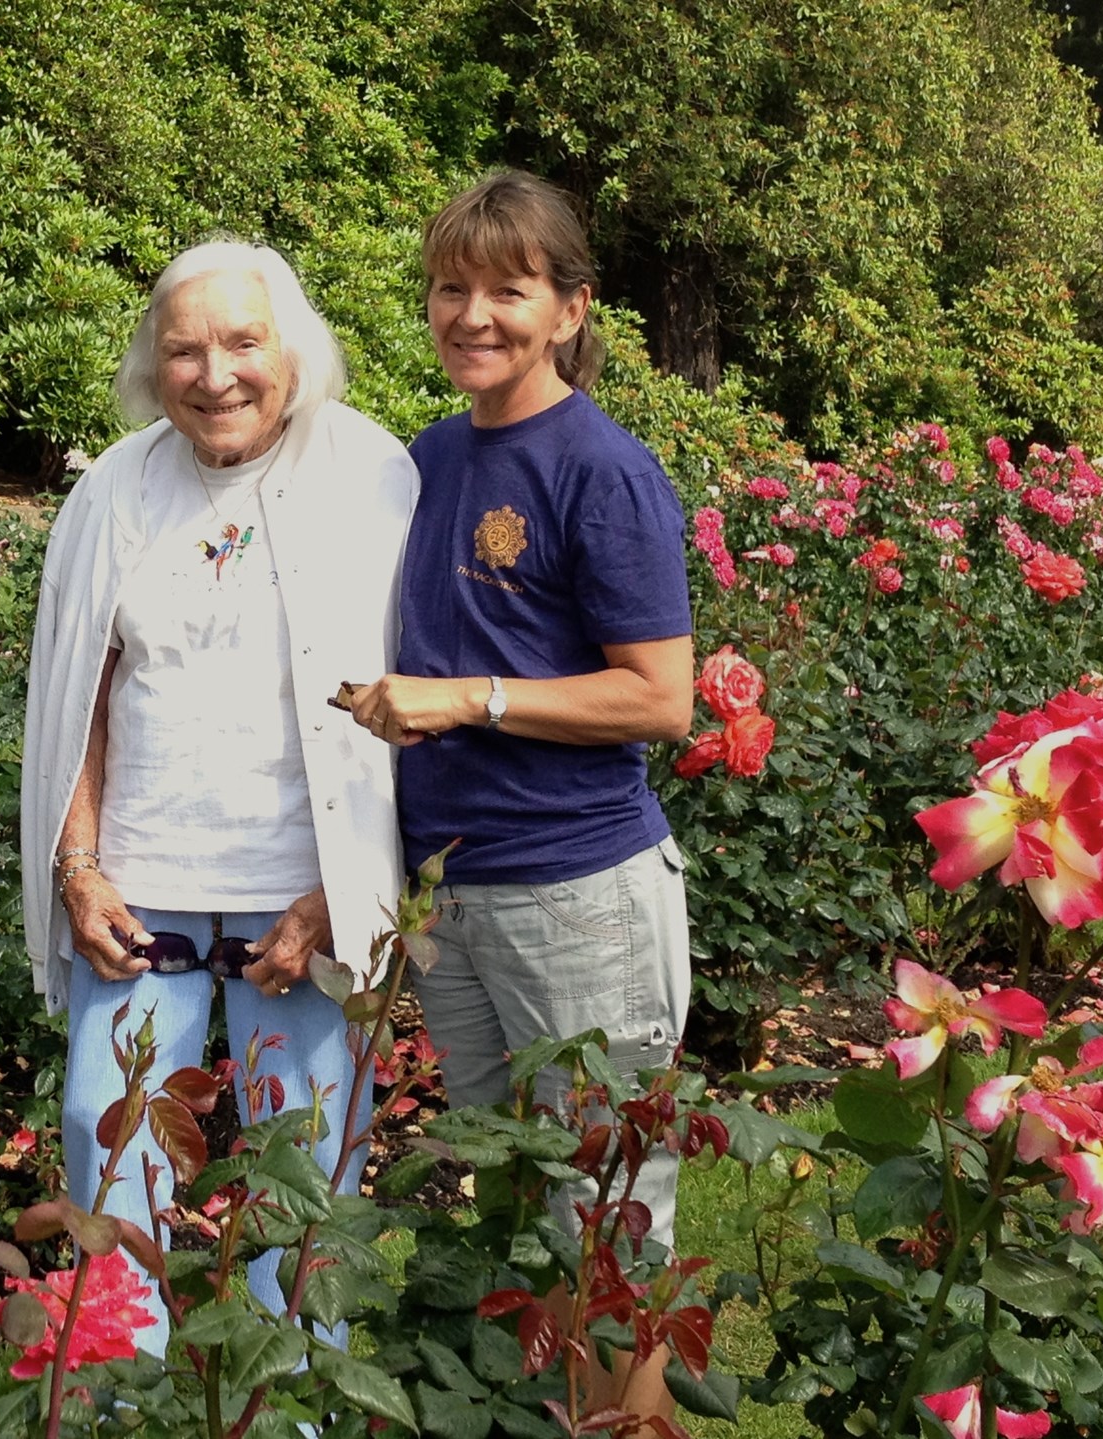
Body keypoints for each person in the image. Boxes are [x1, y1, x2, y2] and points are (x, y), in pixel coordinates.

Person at [21, 239, 417, 1350]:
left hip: (304, 889)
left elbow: (416, 687)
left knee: (308, 1159)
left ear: (294, 351)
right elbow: (79, 698)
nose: (215, 374)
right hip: (137, 888)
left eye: (243, 342)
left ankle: (298, 1398)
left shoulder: (373, 475)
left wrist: (349, 889)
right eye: (185, 350)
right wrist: (77, 865)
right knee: (108, 1138)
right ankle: (119, 1389)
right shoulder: (115, 486)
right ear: (154, 366)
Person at [347, 171, 693, 1406]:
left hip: (576, 888)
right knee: (513, 1198)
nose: (474, 314)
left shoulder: (602, 469)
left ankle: (630, 1424)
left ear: (570, 308)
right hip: (455, 893)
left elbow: (660, 696)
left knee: (607, 1211)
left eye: (509, 288)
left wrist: (469, 696)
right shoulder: (429, 457)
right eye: (452, 287)